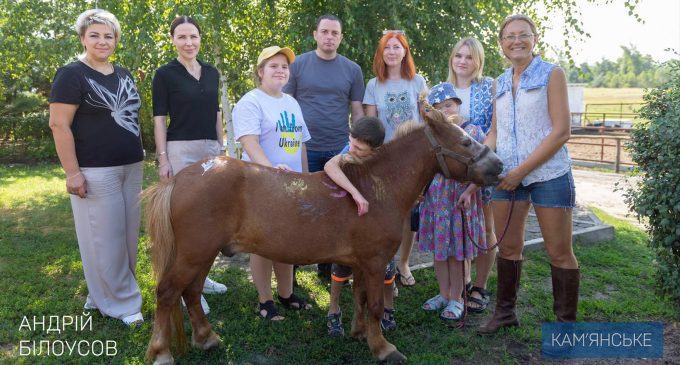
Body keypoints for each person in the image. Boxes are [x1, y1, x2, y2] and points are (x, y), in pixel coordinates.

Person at [480, 14, 579, 334]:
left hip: (549, 175)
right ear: (501, 44)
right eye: (509, 36)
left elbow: (561, 131)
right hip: (505, 178)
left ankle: (565, 328)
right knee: (507, 249)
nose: (516, 41)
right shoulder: (498, 82)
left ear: (535, 38)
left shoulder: (552, 74)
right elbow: (494, 132)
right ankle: (505, 314)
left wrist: (520, 171)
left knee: (559, 252)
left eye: (523, 34)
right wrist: (482, 159)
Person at [48, 9, 143, 326]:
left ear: (116, 39)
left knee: (128, 237)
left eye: (109, 35)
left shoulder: (124, 74)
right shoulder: (71, 74)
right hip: (95, 169)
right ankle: (122, 303)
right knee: (104, 238)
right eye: (95, 35)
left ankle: (102, 292)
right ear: (82, 38)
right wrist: (72, 173)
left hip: (132, 166)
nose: (103, 41)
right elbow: (59, 125)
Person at [152, 16, 227, 315]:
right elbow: (159, 118)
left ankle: (202, 277)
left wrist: (221, 150)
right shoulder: (165, 74)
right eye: (182, 37)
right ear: (172, 40)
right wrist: (163, 157)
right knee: (184, 221)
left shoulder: (211, 73)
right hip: (180, 150)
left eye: (193, 36)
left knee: (210, 217)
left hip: (210, 149)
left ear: (200, 39)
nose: (188, 43)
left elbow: (218, 113)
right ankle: (184, 286)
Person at [232, 46, 313, 321]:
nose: (280, 70)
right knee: (264, 244)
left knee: (287, 239)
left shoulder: (291, 102)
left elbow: (300, 143)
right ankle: (265, 301)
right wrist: (271, 172)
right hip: (261, 184)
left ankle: (287, 294)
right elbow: (249, 143)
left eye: (284, 66)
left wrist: (305, 178)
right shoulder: (251, 101)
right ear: (260, 71)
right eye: (274, 65)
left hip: (291, 184)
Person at [283, 14, 365, 280]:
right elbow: (285, 103)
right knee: (300, 206)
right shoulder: (297, 65)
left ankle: (327, 265)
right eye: (325, 32)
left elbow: (357, 111)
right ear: (315, 34)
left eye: (335, 33)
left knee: (337, 209)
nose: (329, 37)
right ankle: (292, 263)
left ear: (341, 38)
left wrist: (362, 145)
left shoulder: (352, 70)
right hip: (303, 149)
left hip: (339, 148)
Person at [323, 116, 398, 335]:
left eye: (360, 149)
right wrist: (355, 192)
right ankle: (333, 310)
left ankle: (388, 308)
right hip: (351, 223)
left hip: (378, 225)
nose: (352, 150)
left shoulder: (385, 161)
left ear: (375, 150)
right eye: (352, 144)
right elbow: (330, 165)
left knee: (385, 266)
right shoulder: (349, 150)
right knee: (341, 266)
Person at [418, 83, 486, 321]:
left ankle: (457, 297)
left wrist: (470, 191)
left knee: (456, 254)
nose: (445, 111)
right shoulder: (432, 136)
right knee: (439, 252)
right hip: (436, 204)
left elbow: (483, 168)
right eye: (439, 108)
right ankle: (444, 293)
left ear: (457, 104)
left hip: (459, 203)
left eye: (448, 105)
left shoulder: (473, 132)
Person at [364, 31, 427, 287]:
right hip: (386, 161)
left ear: (405, 52)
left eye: (396, 47)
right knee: (385, 215)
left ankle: (403, 263)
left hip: (413, 160)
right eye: (386, 47)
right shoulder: (373, 85)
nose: (391, 51)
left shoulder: (417, 82)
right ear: (381, 53)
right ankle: (385, 267)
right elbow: (370, 126)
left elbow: (427, 119)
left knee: (409, 214)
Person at [446, 37, 496, 314]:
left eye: (469, 57)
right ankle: (458, 283)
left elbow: (492, 129)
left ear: (478, 61)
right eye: (458, 56)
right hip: (452, 176)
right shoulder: (444, 91)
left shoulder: (487, 88)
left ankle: (480, 284)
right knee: (457, 229)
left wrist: (479, 168)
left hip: (480, 170)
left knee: (485, 227)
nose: (463, 61)